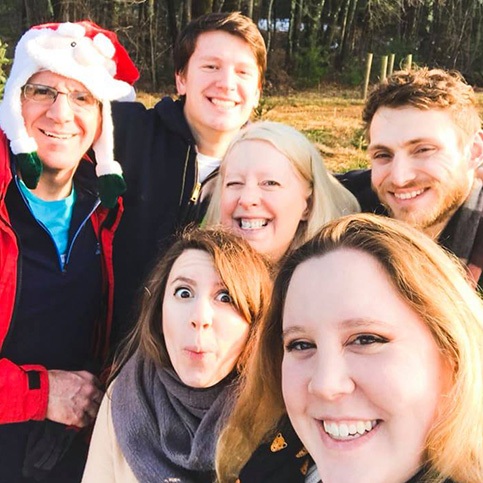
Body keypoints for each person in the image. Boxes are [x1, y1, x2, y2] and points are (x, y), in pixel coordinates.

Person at [216, 214, 483, 483]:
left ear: (452, 357)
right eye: (301, 344)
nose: (325, 385)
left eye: (366, 339)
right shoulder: (270, 463)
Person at [0, 20, 139, 482]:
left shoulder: (105, 209)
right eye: (42, 90)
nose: (61, 113)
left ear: (101, 120)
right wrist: (41, 393)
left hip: (64, 458)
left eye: (82, 97)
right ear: (15, 101)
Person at [111, 11, 267, 344]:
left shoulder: (270, 167)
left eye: (242, 72)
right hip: (106, 355)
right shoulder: (124, 132)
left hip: (204, 361)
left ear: (257, 91)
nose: (226, 83)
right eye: (211, 67)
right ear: (181, 79)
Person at [81, 228, 272, 483]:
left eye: (225, 297)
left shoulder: (277, 410)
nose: (199, 317)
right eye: (184, 293)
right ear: (159, 313)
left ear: (255, 321)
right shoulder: (126, 394)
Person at [340, 68, 483, 288]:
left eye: (423, 150)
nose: (399, 178)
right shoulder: (350, 203)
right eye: (383, 155)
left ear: (474, 152)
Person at [204, 121, 360, 263]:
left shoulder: (334, 286)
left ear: (308, 205)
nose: (247, 199)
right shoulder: (193, 278)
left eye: (270, 183)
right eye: (234, 183)